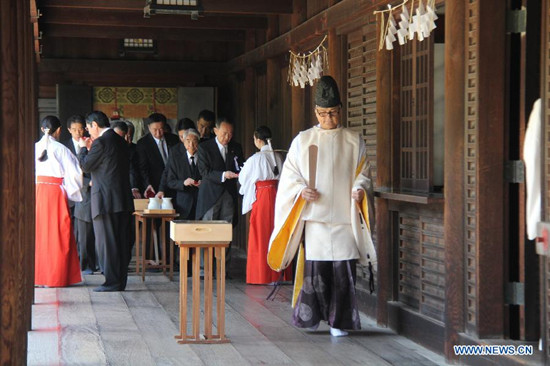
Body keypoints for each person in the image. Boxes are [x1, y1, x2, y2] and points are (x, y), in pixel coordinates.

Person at [268, 76, 376, 337]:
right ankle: (311, 317)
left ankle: (339, 322)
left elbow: (364, 172)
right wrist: (300, 191)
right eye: (324, 113)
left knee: (342, 272)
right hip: (315, 218)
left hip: (343, 217)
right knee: (315, 270)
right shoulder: (303, 140)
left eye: (334, 113)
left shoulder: (353, 139)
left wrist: (360, 188)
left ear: (341, 110)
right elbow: (290, 176)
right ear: (316, 112)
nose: (329, 118)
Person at [78, 111, 134, 292]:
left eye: (88, 127)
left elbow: (86, 166)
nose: (88, 131)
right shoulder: (121, 140)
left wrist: (82, 148)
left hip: (105, 201)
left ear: (95, 125)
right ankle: (120, 281)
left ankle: (111, 281)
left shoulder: (101, 142)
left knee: (107, 243)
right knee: (121, 241)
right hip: (123, 199)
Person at [238, 126, 292, 285]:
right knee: (275, 232)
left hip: (262, 196)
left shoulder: (256, 158)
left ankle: (263, 275)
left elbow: (243, 178)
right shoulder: (278, 156)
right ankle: (278, 274)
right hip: (276, 194)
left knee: (261, 233)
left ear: (257, 139)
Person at [35, 115, 83, 287]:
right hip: (55, 193)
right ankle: (55, 276)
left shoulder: (33, 148)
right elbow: (75, 174)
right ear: (59, 130)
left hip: (38, 191)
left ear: (42, 129)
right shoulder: (62, 149)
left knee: (39, 234)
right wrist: (72, 194)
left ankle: (38, 276)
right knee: (57, 234)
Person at [196, 117, 244, 277]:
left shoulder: (236, 147)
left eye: (230, 134)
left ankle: (223, 269)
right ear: (215, 131)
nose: (227, 137)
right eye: (224, 133)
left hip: (229, 194)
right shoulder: (204, 147)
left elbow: (241, 166)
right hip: (210, 195)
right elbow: (204, 171)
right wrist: (223, 174)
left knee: (226, 231)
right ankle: (205, 269)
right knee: (208, 231)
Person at [63, 115, 97, 275]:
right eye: (74, 129)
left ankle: (87, 264)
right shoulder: (64, 147)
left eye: (81, 129)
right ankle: (70, 263)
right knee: (69, 233)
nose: (78, 132)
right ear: (69, 130)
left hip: (86, 195)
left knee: (85, 233)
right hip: (68, 195)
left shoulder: (92, 144)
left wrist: (87, 183)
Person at [161, 126, 201, 219]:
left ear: (198, 142)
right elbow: (170, 181)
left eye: (194, 141)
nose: (191, 144)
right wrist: (183, 182)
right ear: (183, 142)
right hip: (183, 205)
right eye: (188, 141)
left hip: (201, 203)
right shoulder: (176, 158)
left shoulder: (204, 156)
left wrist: (203, 182)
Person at [136, 113, 179, 198]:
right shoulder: (143, 144)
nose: (158, 133)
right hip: (155, 186)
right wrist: (148, 184)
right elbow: (143, 168)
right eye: (155, 129)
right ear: (148, 127)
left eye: (161, 129)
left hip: (174, 183)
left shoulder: (174, 139)